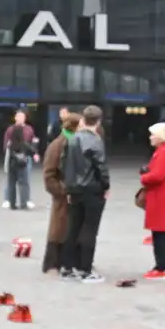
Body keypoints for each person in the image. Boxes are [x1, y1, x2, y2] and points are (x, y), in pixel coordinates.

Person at [60, 105, 110, 283]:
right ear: (98, 121)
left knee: (73, 228)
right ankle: (85, 269)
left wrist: (67, 186)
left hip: (74, 189)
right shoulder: (95, 140)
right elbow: (101, 167)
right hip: (91, 188)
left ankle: (67, 267)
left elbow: (63, 165)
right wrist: (106, 186)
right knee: (90, 229)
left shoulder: (72, 139)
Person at [141, 122, 165, 279]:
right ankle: (162, 265)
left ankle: (162, 266)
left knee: (159, 232)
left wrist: (144, 177)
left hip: (161, 195)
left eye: (153, 134)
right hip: (164, 195)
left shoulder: (164, 152)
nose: (150, 137)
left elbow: (157, 175)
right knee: (159, 231)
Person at [42, 112, 81, 273]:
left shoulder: (78, 143)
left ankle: (73, 261)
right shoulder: (57, 146)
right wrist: (62, 190)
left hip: (77, 194)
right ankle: (53, 263)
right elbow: (48, 175)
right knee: (59, 229)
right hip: (63, 196)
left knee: (74, 229)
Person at [2, 110, 38, 209]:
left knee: (25, 180)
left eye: (23, 117)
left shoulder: (29, 129)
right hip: (14, 157)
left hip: (26, 157)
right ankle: (8, 200)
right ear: (15, 118)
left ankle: (25, 200)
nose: (21, 119)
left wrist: (34, 151)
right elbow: (6, 144)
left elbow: (32, 141)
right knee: (11, 181)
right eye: (19, 117)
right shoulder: (10, 129)